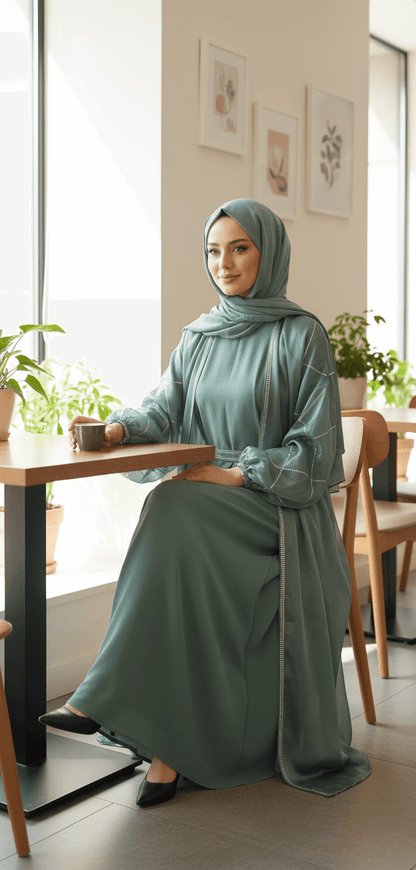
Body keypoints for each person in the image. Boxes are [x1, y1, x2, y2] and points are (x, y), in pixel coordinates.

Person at [40, 198, 371, 807]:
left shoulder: (303, 336)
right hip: (204, 511)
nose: (225, 262)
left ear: (268, 253)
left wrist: (238, 474)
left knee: (171, 506)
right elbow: (163, 409)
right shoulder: (198, 337)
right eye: (214, 250)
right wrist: (117, 430)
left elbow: (316, 456)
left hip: (278, 512)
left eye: (240, 247)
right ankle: (162, 750)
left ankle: (104, 701)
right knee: (174, 512)